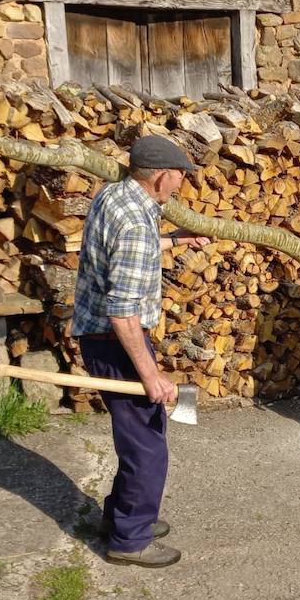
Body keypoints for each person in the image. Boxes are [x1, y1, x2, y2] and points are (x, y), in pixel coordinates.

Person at [72, 136, 208, 567]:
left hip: (107, 337)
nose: (181, 183)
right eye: (180, 174)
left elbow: (126, 249)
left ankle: (121, 516)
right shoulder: (134, 224)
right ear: (161, 175)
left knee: (140, 438)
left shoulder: (117, 196)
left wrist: (175, 241)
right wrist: (150, 375)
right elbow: (123, 313)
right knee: (147, 447)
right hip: (115, 342)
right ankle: (129, 540)